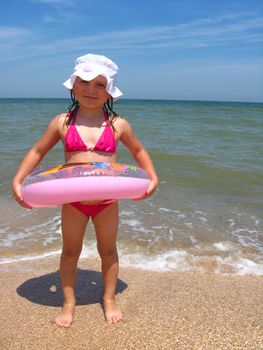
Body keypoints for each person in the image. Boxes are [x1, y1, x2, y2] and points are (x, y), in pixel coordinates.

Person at [12, 53, 158, 327]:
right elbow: (37, 151)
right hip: (74, 201)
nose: (91, 90)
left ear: (109, 91)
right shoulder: (62, 122)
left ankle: (109, 299)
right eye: (85, 82)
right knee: (70, 252)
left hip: (106, 201)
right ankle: (69, 303)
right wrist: (19, 180)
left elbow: (138, 150)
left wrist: (151, 177)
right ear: (73, 85)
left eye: (100, 84)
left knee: (108, 251)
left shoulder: (118, 124)